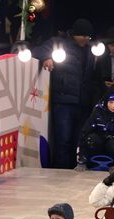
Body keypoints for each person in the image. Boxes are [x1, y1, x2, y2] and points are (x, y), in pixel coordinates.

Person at [33, 18, 96, 169]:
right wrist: (46, 57)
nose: (86, 39)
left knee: (78, 140)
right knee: (63, 139)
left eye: (88, 37)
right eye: (83, 36)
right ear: (76, 34)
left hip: (83, 103)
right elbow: (37, 50)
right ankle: (60, 171)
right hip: (64, 101)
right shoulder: (59, 43)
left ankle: (74, 168)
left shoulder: (90, 49)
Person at [74, 86, 114, 170]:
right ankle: (92, 164)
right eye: (111, 102)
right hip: (98, 138)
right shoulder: (98, 110)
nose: (113, 106)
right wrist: (81, 160)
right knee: (91, 139)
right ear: (106, 101)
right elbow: (84, 132)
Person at [93, 26, 114, 104]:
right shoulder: (102, 57)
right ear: (107, 46)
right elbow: (96, 79)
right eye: (112, 45)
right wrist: (103, 83)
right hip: (107, 96)